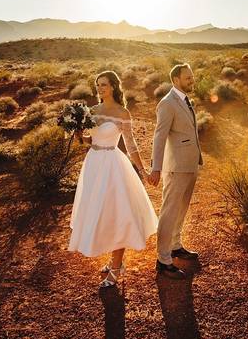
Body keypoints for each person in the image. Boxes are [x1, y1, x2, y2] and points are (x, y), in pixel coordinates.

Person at [68, 70, 158, 289]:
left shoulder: (122, 113)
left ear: (114, 87)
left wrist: (143, 171)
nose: (100, 88)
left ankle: (117, 266)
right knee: (101, 213)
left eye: (104, 85)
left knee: (118, 213)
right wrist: (80, 134)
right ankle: (113, 261)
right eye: (97, 85)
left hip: (113, 166)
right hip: (93, 166)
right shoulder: (91, 110)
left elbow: (131, 144)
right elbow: (90, 139)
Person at [146, 63, 203, 280]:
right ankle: (163, 259)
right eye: (188, 77)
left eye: (192, 76)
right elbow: (159, 137)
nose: (192, 80)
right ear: (175, 80)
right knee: (169, 211)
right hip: (176, 167)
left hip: (190, 164)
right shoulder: (167, 103)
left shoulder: (185, 100)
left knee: (182, 208)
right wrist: (156, 168)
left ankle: (175, 245)